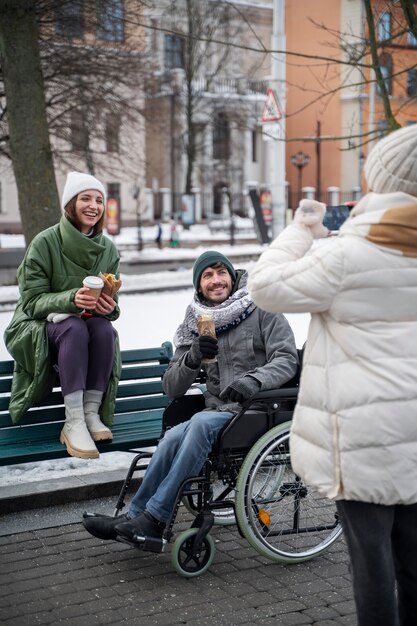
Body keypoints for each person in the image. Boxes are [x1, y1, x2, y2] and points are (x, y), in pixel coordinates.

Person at [248, 124, 417, 626]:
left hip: (362, 439)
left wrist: (301, 231)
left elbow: (264, 286)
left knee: (371, 565)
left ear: (379, 182)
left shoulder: (344, 256)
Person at [83, 250, 298, 542]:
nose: (216, 280)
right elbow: (171, 387)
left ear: (232, 277)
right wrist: (193, 356)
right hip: (218, 413)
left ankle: (156, 518)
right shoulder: (196, 322)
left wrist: (254, 381)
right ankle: (135, 516)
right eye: (207, 275)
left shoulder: (262, 307)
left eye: (221, 272)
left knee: (198, 425)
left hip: (257, 409)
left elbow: (286, 359)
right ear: (199, 286)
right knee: (171, 437)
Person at [4, 171, 121, 460]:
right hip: (35, 326)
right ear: (71, 203)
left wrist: (111, 307)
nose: (93, 206)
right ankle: (74, 421)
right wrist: (70, 298)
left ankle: (91, 413)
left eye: (99, 200)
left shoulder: (108, 249)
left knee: (105, 329)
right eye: (85, 198)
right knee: (74, 327)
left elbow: (111, 299)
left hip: (83, 326)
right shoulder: (44, 243)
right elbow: (30, 301)